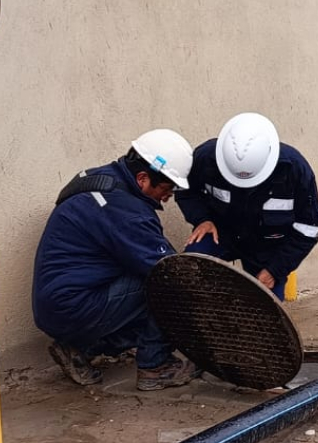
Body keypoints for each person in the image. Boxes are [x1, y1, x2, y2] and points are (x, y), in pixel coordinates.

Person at [32, 129, 202, 391]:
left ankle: (80, 348)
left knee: (145, 301)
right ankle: (155, 367)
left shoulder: (99, 178)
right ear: (143, 178)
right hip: (75, 306)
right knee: (167, 285)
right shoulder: (127, 212)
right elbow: (169, 270)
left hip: (57, 305)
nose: (168, 197)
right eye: (166, 189)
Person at [176, 113, 318, 300]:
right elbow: (184, 190)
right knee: (191, 269)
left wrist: (275, 270)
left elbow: (309, 228)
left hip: (267, 247)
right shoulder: (205, 158)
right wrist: (202, 219)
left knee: (268, 308)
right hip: (219, 233)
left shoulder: (294, 169)